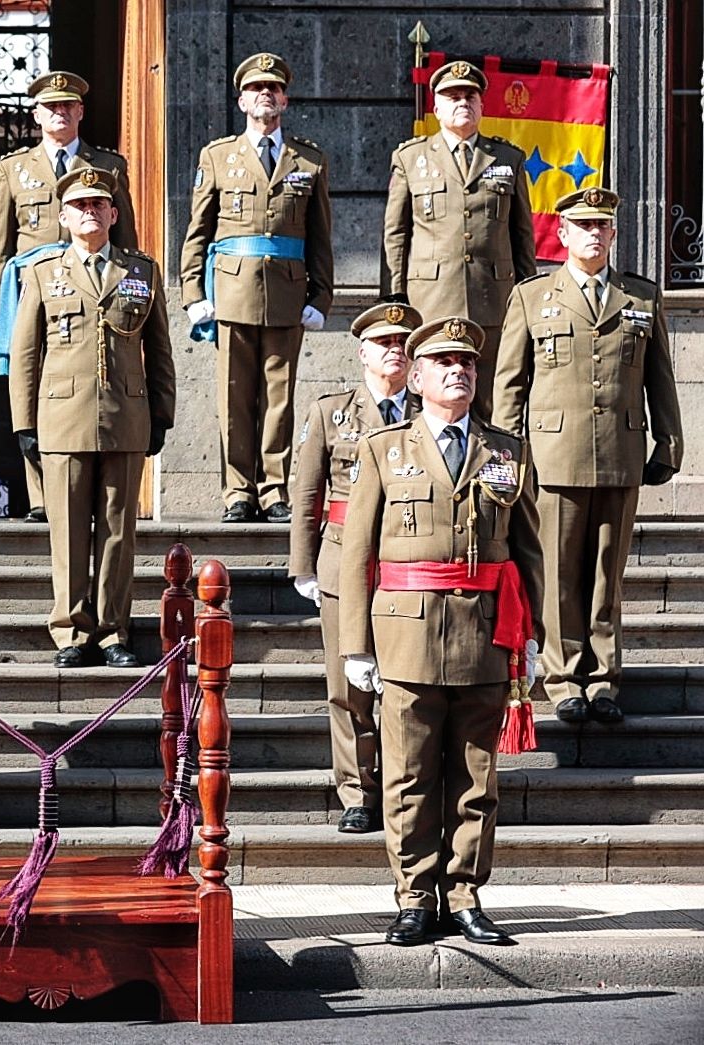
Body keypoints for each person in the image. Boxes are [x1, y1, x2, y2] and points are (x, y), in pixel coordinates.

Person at [340, 316, 544, 948]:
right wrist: (355, 646)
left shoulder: (506, 451)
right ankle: (413, 896)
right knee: (409, 776)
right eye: (446, 362)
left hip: (485, 633)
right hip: (407, 635)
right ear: (419, 374)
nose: (460, 371)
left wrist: (532, 638)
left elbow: (528, 552)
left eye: (469, 363)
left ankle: (464, 895)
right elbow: (357, 554)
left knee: (475, 777)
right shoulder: (383, 449)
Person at [494, 188, 683, 725]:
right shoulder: (534, 297)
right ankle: (562, 677)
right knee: (557, 571)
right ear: (564, 235)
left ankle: (603, 679)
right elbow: (510, 385)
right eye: (584, 227)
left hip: (621, 451)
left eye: (603, 227)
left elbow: (659, 378)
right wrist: (506, 456)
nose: (594, 235)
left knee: (607, 572)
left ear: (614, 235)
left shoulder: (640, 299)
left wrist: (668, 441)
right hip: (554, 455)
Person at [9, 168, 175, 668]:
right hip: (61, 417)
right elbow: (26, 354)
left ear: (114, 214)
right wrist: (24, 422)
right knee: (67, 531)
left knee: (118, 532)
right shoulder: (42, 273)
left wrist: (162, 414)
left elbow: (160, 349)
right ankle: (71, 631)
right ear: (63, 216)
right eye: (80, 205)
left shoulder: (141, 272)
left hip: (126, 414)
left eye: (99, 205)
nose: (90, 212)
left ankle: (112, 631)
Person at [179, 53, 333, 523]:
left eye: (274, 88)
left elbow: (321, 236)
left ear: (285, 100)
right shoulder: (218, 156)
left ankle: (273, 489)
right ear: (242, 99)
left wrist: (320, 298)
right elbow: (197, 231)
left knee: (279, 397)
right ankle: (237, 492)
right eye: (256, 88)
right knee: (234, 396)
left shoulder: (308, 159)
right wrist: (193, 295)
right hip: (231, 291)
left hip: (287, 293)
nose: (265, 94)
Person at [288, 302, 421, 834]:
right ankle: (356, 791)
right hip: (343, 559)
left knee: (406, 681)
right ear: (362, 352)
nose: (395, 350)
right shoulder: (330, 413)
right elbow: (306, 493)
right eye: (384, 343)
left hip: (407, 560)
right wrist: (304, 565)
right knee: (348, 686)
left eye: (403, 343)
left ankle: (399, 785)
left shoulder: (431, 411)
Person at [0, 70, 136, 522]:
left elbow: (125, 237)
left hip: (90, 290)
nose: (60, 112)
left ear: (81, 112)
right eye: (51, 107)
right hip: (32, 290)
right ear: (36, 115)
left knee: (82, 381)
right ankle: (40, 494)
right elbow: (0, 243)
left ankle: (82, 490)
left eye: (68, 106)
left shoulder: (108, 166)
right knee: (29, 386)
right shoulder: (14, 168)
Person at [380, 59, 537, 420]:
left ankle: (487, 474)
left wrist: (528, 297)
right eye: (452, 96)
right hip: (430, 301)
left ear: (482, 106)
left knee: (491, 397)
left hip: (493, 302)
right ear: (436, 107)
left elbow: (522, 236)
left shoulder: (508, 158)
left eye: (470, 95)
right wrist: (394, 297)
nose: (462, 101)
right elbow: (396, 233)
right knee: (427, 394)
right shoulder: (411, 158)